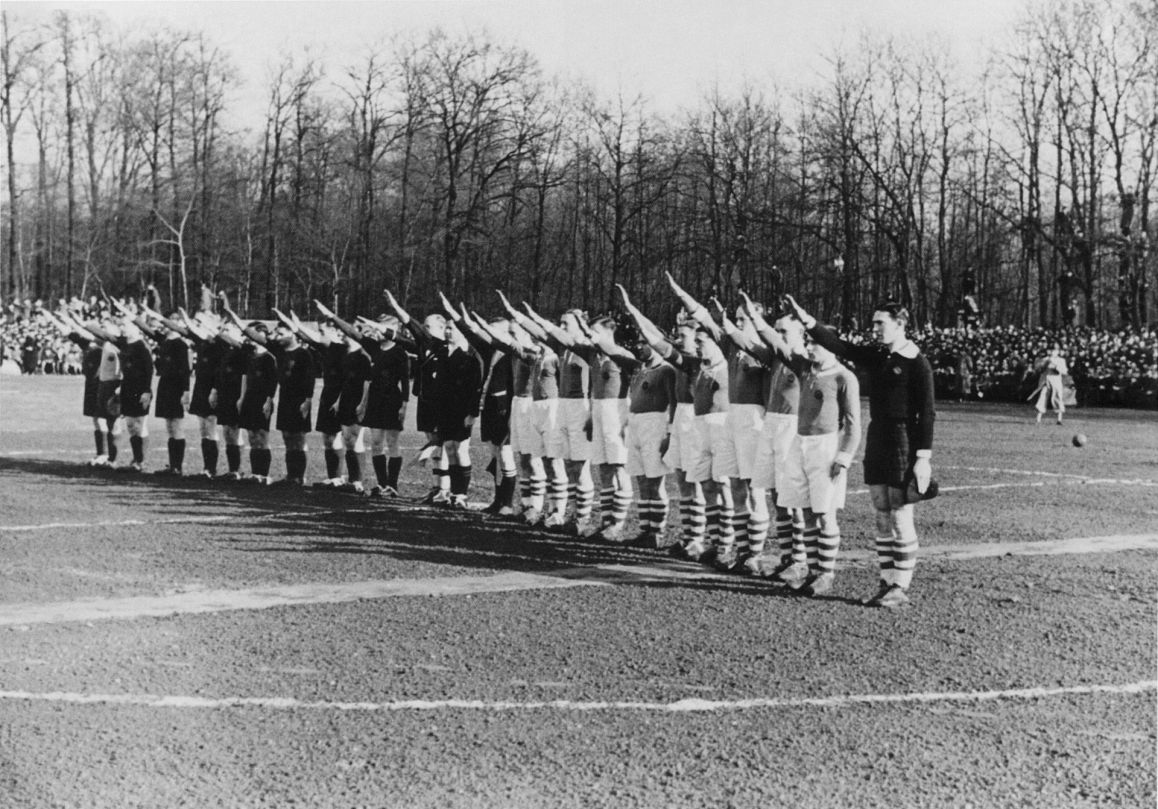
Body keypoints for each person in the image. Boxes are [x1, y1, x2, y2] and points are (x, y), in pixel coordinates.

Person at [787, 295, 935, 608]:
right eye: (874, 323)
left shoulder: (917, 363)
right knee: (881, 510)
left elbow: (928, 413)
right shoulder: (880, 356)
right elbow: (841, 346)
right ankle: (886, 582)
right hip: (878, 434)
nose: (875, 328)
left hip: (903, 438)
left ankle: (901, 587)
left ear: (900, 324)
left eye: (881, 323)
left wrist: (923, 458)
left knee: (899, 512)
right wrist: (806, 319)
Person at [743, 296, 860, 596]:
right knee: (805, 510)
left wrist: (844, 457)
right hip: (800, 443)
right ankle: (807, 568)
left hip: (826, 448)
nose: (809, 348)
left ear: (831, 345)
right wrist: (756, 321)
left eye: (816, 343)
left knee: (825, 513)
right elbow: (778, 346)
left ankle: (827, 572)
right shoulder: (806, 369)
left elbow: (853, 424)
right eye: (808, 343)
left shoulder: (845, 378)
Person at [1030, 345, 1068, 425]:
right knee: (1042, 398)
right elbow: (1037, 370)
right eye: (1050, 350)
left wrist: (1056, 367)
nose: (1052, 352)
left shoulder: (1061, 360)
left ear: (1058, 352)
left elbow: (1064, 371)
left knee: (1057, 398)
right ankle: (1038, 419)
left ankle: (1059, 419)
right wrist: (1045, 364)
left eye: (1054, 350)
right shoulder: (1043, 359)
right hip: (1045, 381)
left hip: (1056, 381)